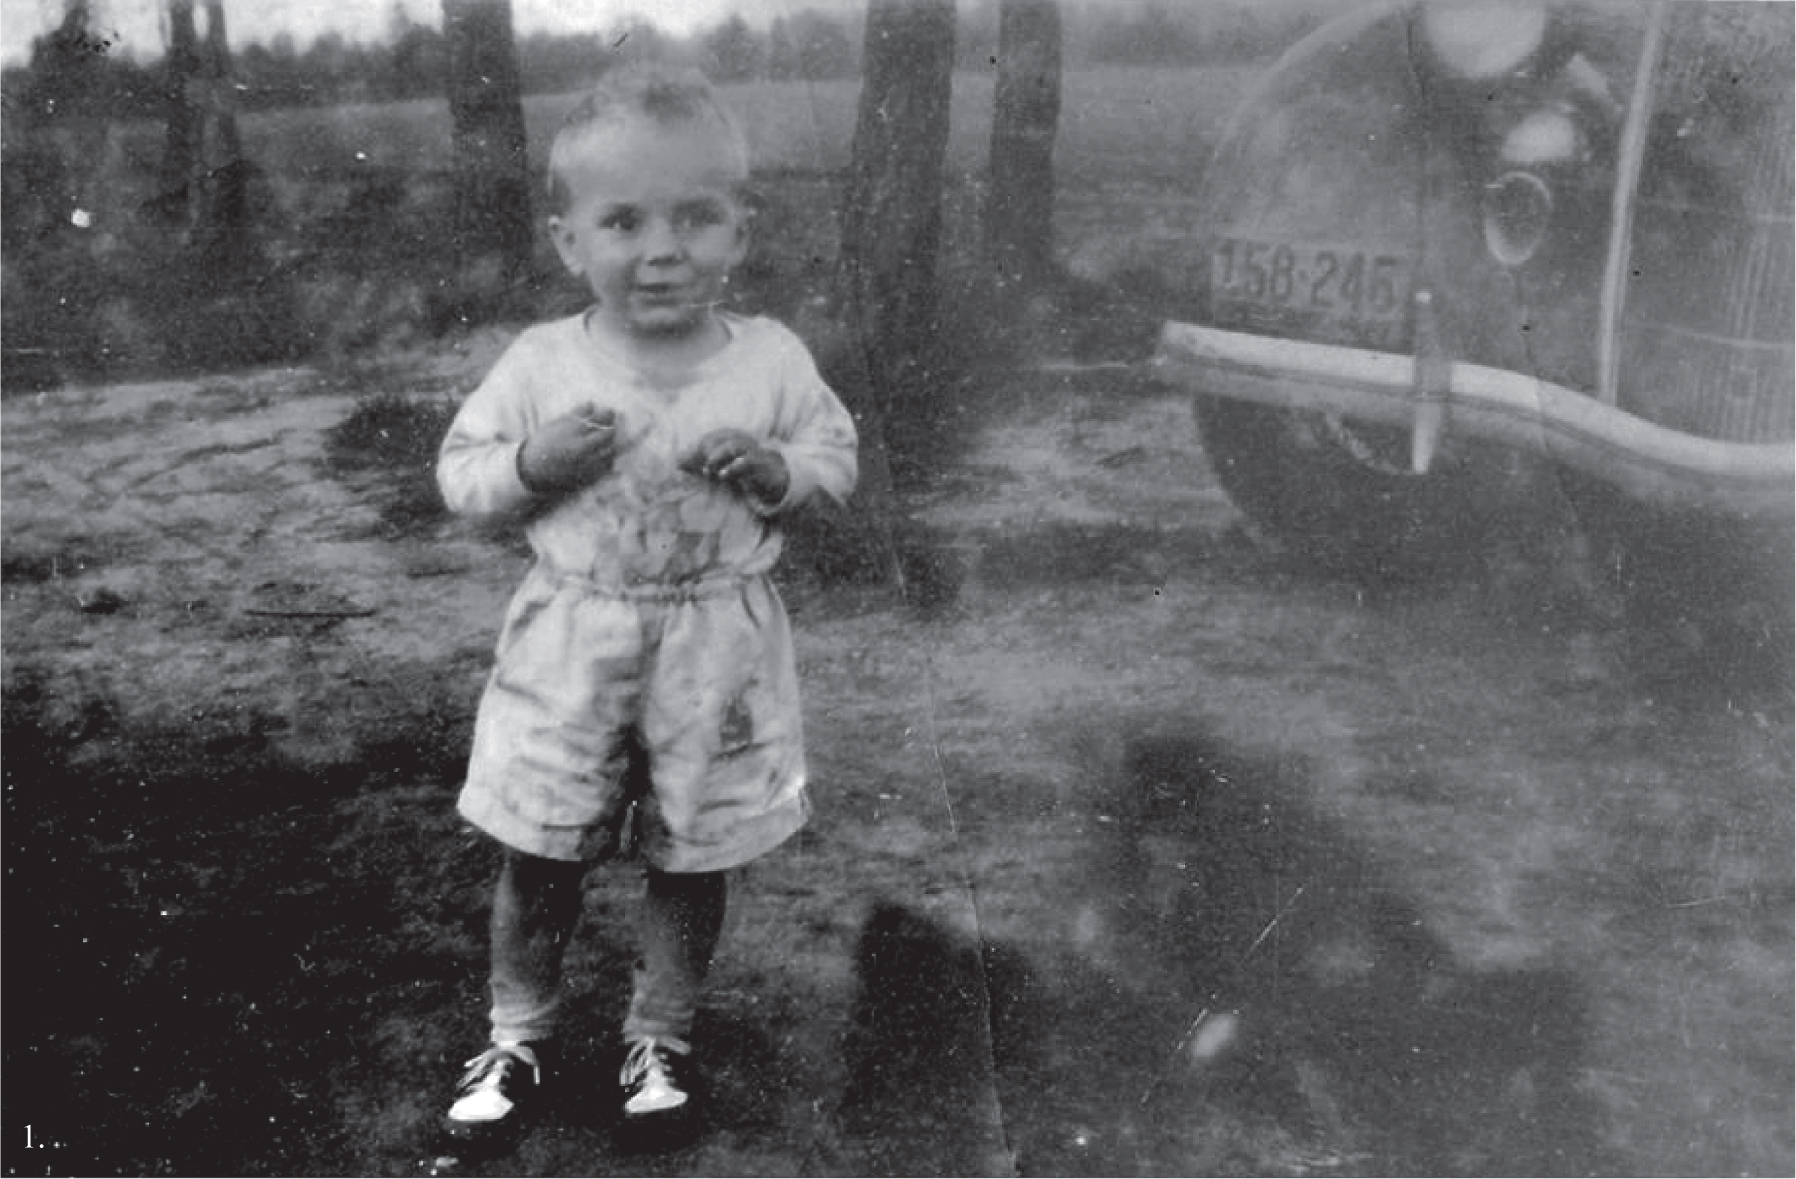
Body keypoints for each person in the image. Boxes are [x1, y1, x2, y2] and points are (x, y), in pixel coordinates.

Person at [434, 63, 857, 1144]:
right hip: (573, 638)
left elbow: (832, 458)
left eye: (694, 218)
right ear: (569, 241)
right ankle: (516, 1034)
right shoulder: (541, 363)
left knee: (693, 850)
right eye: (622, 221)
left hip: (714, 644)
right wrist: (532, 461)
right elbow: (464, 476)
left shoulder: (767, 358)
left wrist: (774, 472)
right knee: (538, 849)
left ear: (740, 229)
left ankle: (656, 1037)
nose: (660, 249)